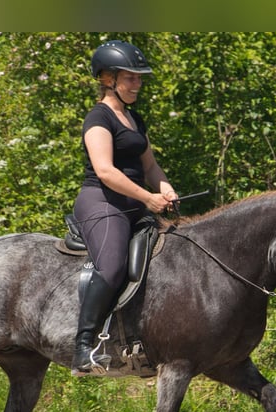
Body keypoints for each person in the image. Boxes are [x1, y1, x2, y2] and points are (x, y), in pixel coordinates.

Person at [71, 40, 178, 375]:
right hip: (102, 201)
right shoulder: (97, 117)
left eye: (139, 78)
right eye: (130, 78)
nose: (138, 84)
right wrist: (148, 198)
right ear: (107, 78)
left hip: (134, 203)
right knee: (114, 266)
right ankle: (84, 347)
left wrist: (165, 188)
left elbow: (150, 167)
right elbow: (105, 170)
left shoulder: (134, 118)